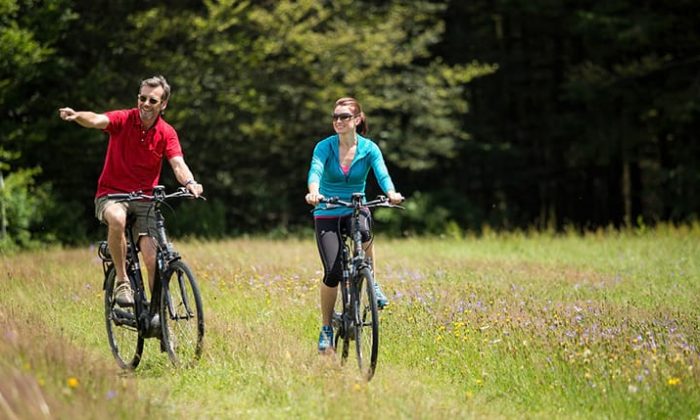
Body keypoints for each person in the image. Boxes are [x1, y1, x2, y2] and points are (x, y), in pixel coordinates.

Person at [59, 75, 203, 308]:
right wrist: (77, 116)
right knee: (117, 218)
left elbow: (177, 163)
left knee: (150, 255)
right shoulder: (123, 119)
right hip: (111, 195)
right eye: (142, 98)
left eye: (152, 101)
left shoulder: (167, 132)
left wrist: (190, 183)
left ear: (163, 105)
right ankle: (123, 281)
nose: (146, 104)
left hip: (144, 199)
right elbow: (97, 119)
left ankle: (157, 313)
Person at [305, 97, 403, 353]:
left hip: (356, 206)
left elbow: (382, 173)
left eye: (344, 117)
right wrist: (314, 192)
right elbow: (315, 170)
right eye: (335, 117)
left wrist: (391, 192)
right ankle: (327, 327)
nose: (338, 121)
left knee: (365, 228)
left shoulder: (369, 148)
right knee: (333, 273)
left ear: (357, 120)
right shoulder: (324, 147)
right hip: (327, 209)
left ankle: (372, 280)